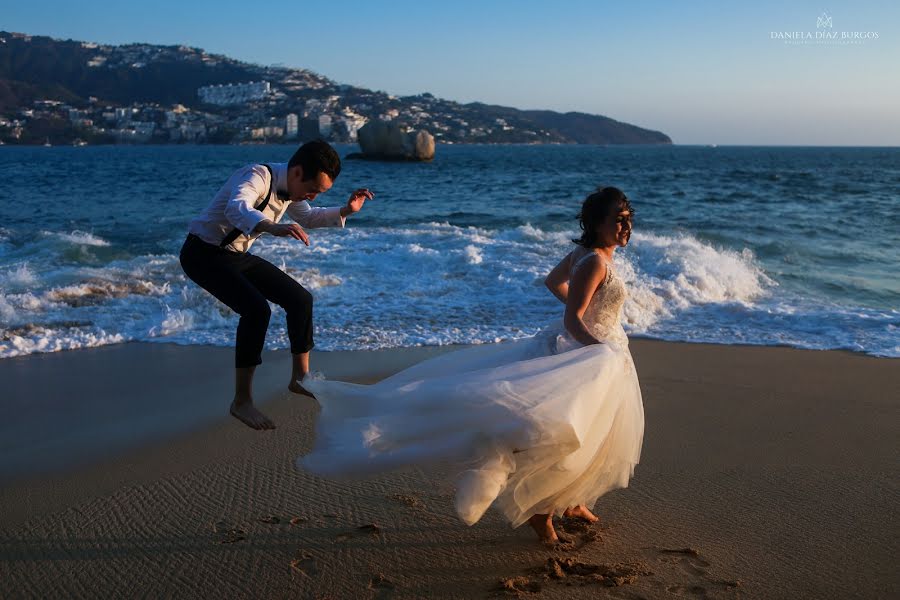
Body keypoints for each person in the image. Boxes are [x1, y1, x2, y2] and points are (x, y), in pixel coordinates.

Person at [298, 186, 644, 543]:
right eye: (618, 220)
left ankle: (573, 502)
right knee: (564, 434)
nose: (626, 226)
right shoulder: (594, 262)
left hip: (602, 349)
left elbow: (553, 282)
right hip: (592, 353)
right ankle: (540, 512)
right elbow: (572, 320)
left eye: (628, 218)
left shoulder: (592, 253)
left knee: (597, 428)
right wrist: (597, 346)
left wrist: (595, 329)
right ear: (597, 222)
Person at [180, 140, 373, 431]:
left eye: (318, 193)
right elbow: (237, 208)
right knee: (257, 311)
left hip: (235, 255)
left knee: (300, 299)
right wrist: (271, 226)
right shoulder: (257, 176)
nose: (311, 196)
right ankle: (241, 401)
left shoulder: (292, 189)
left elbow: (307, 216)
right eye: (313, 190)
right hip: (201, 254)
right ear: (296, 173)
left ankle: (300, 378)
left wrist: (345, 210)